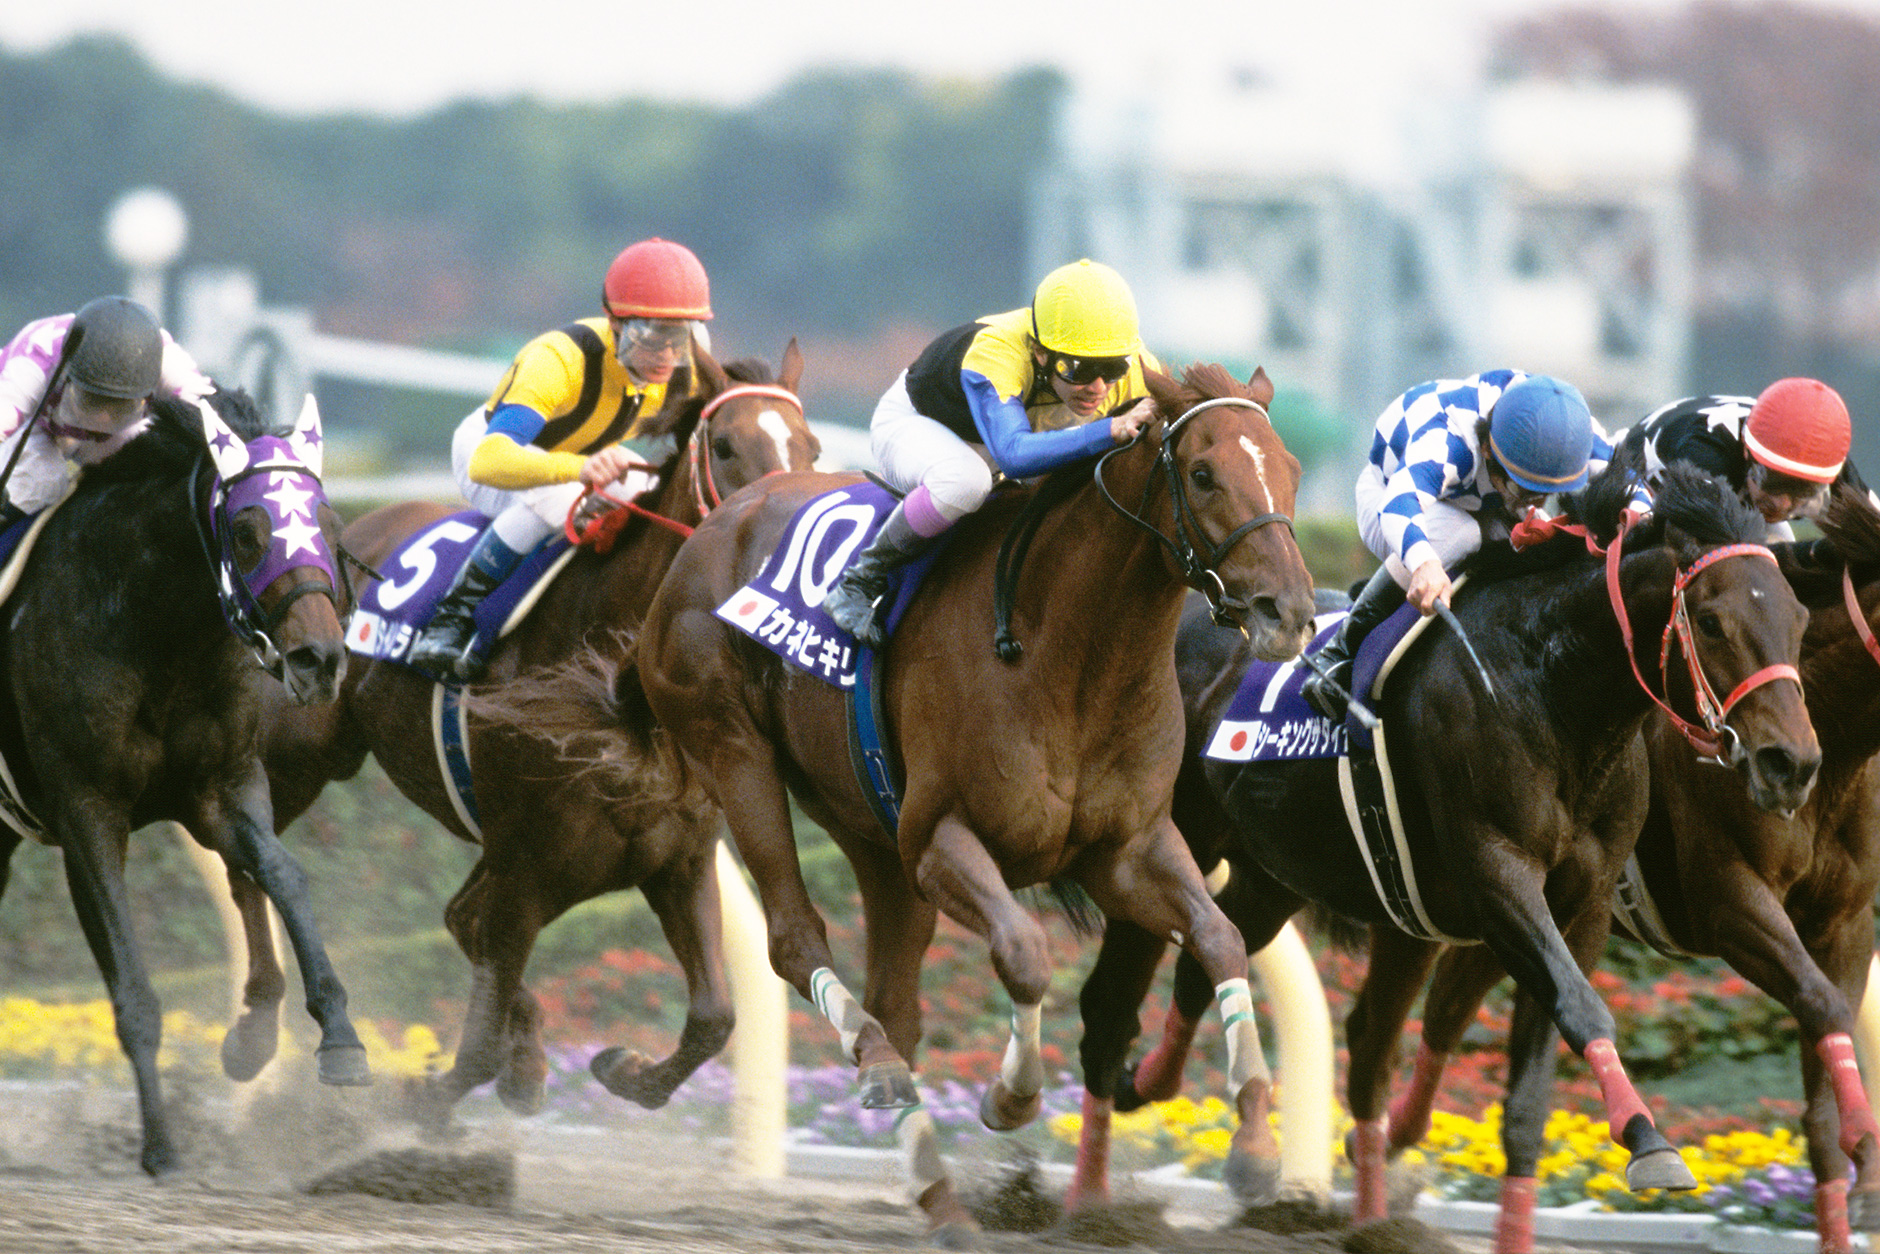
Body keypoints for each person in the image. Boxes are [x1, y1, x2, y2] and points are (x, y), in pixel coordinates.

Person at [405, 237, 713, 681]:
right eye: (652, 336)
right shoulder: (557, 360)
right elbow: (490, 460)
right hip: (491, 449)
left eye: (679, 338)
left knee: (647, 494)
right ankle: (449, 619)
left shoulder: (689, 365)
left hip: (585, 455)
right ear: (616, 322)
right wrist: (578, 468)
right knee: (558, 496)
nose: (667, 355)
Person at [821, 259, 1161, 646]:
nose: (1098, 387)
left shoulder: (1134, 366)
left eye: (1112, 368)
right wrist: (1110, 427)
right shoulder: (995, 351)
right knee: (965, 481)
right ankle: (860, 581)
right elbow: (1013, 454)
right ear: (1040, 353)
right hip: (918, 425)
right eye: (1079, 369)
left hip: (1012, 438)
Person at [1300, 370, 1644, 722]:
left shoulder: (1570, 431)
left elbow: (1634, 492)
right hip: (1389, 497)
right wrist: (1423, 564)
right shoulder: (1448, 441)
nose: (1537, 501)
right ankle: (1340, 648)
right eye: (1525, 489)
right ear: (1486, 451)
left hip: (1484, 503)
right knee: (1460, 533)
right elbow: (1400, 504)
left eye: (1547, 493)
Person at [0, 296, 213, 525]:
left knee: (147, 483)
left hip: (107, 433)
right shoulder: (32, 367)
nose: (102, 420)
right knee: (38, 483)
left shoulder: (166, 361)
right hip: (34, 425)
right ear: (67, 377)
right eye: (92, 400)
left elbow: (210, 414)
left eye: (120, 406)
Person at [1616, 379, 1862, 541]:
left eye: (1803, 488)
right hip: (1638, 480)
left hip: (1731, 497)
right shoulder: (1707, 457)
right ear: (1746, 452)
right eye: (1774, 481)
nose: (1783, 503)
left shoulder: (1825, 464)